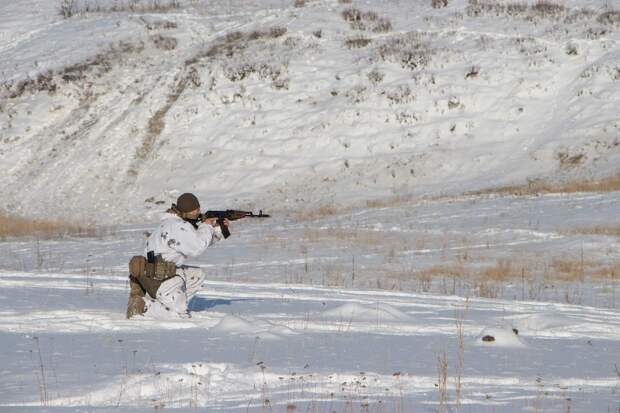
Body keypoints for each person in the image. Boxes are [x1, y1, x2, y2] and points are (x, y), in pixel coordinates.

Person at [126, 193, 228, 319]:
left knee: (197, 275)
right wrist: (206, 225)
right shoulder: (178, 227)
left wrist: (217, 230)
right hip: (159, 278)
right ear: (188, 211)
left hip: (154, 275)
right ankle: (143, 307)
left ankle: (173, 301)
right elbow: (197, 248)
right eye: (196, 210)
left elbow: (196, 241)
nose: (199, 212)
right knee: (179, 316)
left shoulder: (171, 224)